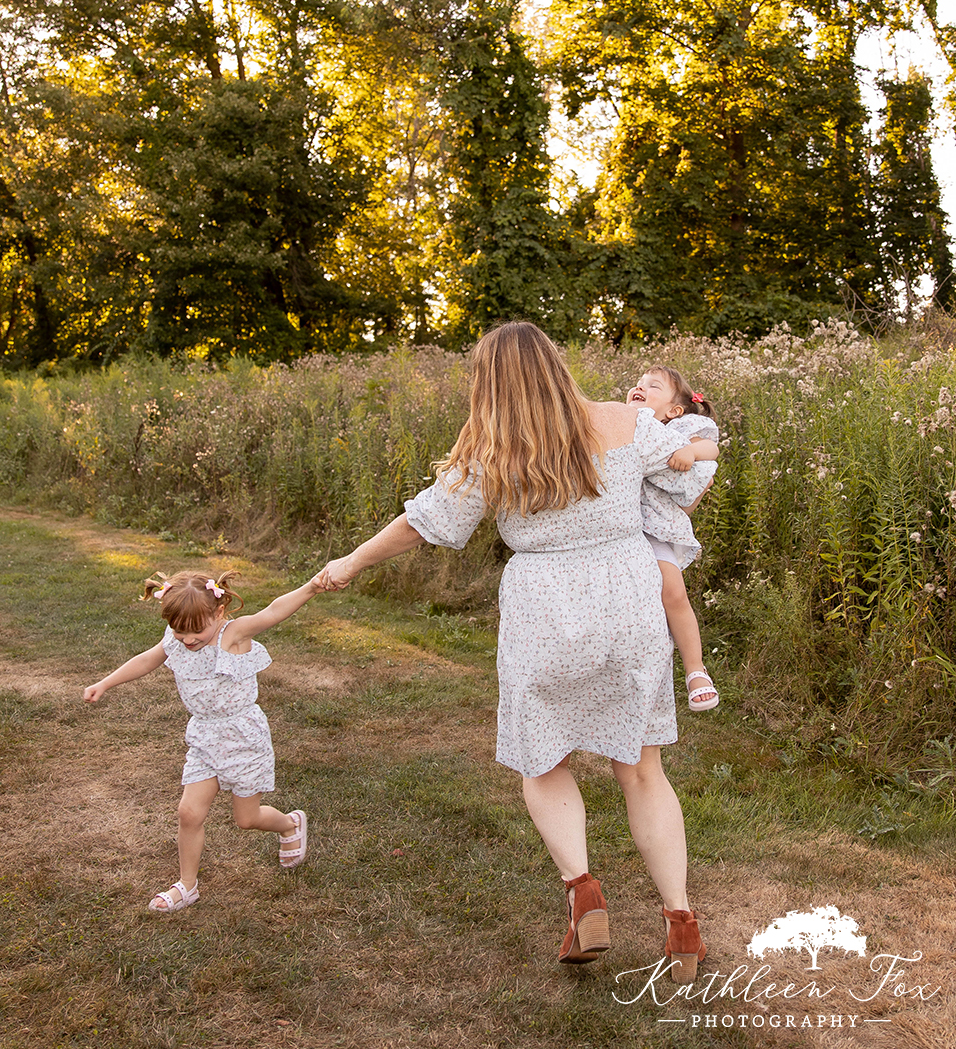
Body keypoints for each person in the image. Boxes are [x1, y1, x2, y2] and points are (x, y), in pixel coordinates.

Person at [315, 322, 714, 977]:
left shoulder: (490, 448)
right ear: (556, 364)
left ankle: (584, 893)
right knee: (643, 770)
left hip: (544, 607)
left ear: (489, 382)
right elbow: (690, 474)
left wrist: (351, 561)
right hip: (626, 597)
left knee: (543, 759)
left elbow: (423, 522)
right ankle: (681, 924)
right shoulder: (626, 421)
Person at [83, 568, 319, 913]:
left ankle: (290, 824)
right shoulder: (175, 637)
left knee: (247, 819)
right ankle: (187, 886)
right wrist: (105, 683)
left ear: (218, 612)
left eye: (196, 631)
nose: (188, 639)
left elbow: (273, 611)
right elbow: (148, 659)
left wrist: (312, 586)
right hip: (204, 737)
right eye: (180, 631)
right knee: (188, 813)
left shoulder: (233, 634)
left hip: (243, 738)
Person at [626, 366, 721, 713]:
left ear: (674, 410)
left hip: (653, 530)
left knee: (673, 592)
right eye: (638, 383)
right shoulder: (620, 421)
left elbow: (711, 448)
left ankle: (696, 670)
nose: (640, 387)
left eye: (653, 386)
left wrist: (691, 453)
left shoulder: (679, 431)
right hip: (614, 528)